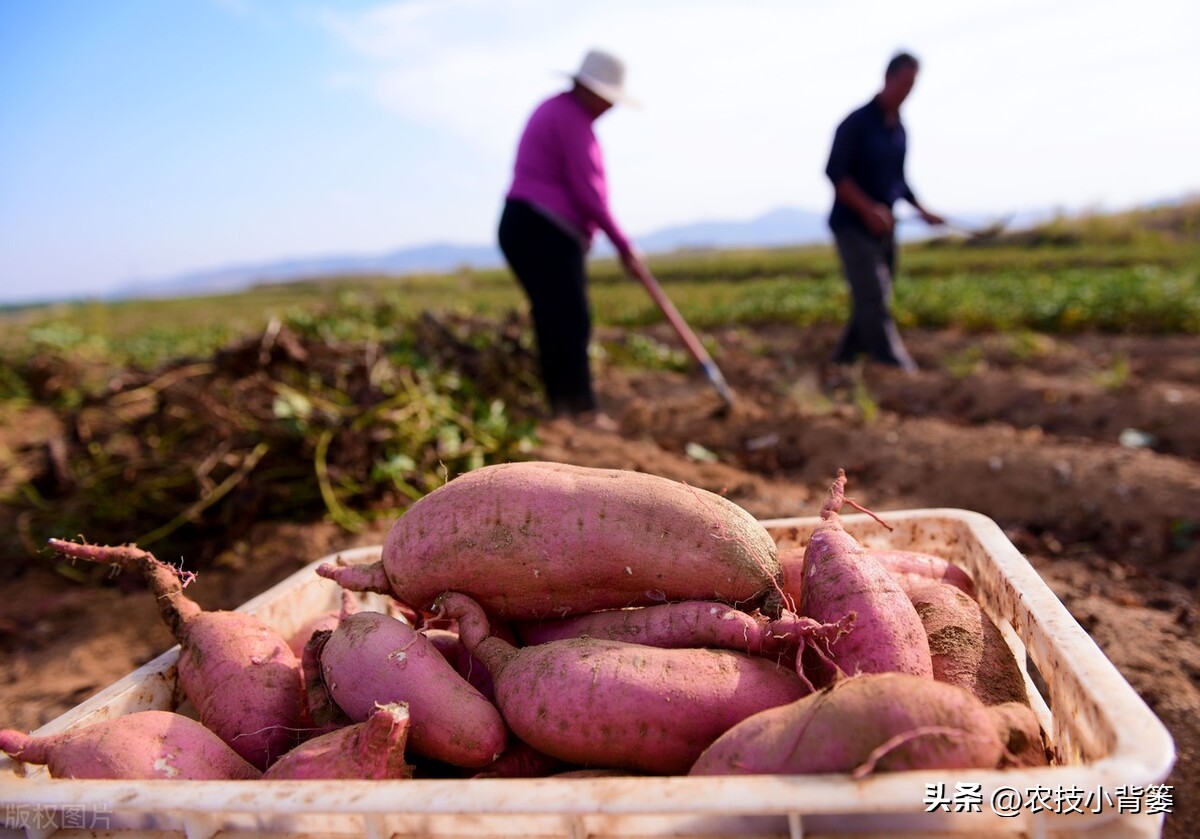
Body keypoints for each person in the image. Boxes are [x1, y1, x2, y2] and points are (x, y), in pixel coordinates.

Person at [498, 49, 651, 424]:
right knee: (570, 320)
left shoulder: (556, 110)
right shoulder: (571, 119)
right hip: (543, 230)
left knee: (554, 319)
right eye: (608, 98)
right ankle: (581, 411)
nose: (611, 107)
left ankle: (564, 410)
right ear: (590, 90)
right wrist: (624, 246)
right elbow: (589, 195)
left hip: (525, 225)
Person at [824, 51, 944, 373]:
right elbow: (835, 173)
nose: (907, 91)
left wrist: (923, 210)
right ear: (888, 78)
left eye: (912, 85)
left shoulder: (898, 130)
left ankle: (843, 361)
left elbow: (898, 181)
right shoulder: (857, 123)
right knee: (873, 297)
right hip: (852, 226)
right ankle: (894, 365)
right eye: (904, 83)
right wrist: (868, 209)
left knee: (873, 297)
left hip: (884, 228)